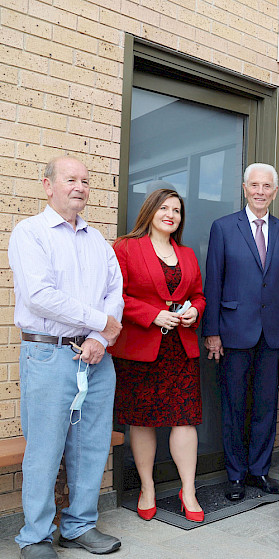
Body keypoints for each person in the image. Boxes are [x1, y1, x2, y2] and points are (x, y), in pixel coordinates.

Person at [9, 156, 124, 558]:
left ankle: (79, 526)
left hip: (96, 358)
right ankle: (35, 537)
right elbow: (40, 296)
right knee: (45, 448)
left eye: (85, 182)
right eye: (70, 179)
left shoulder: (98, 241)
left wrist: (98, 339)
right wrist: (99, 323)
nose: (79, 187)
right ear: (48, 185)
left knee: (91, 446)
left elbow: (116, 294)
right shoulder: (30, 233)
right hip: (48, 354)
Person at [203, 163, 279, 501]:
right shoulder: (224, 228)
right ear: (244, 188)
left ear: (274, 191)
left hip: (274, 335)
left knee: (265, 406)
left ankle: (258, 470)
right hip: (233, 332)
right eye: (254, 185)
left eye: (267, 186)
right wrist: (211, 331)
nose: (260, 191)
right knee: (233, 406)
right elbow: (213, 281)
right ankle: (235, 475)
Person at [109, 187, 206, 522]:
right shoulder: (126, 248)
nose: (170, 215)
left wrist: (195, 311)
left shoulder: (189, 254)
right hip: (140, 349)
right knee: (141, 420)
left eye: (176, 211)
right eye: (164, 208)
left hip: (180, 348)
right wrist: (151, 314)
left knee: (184, 419)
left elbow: (198, 294)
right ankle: (147, 487)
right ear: (150, 211)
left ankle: (188, 490)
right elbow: (114, 296)